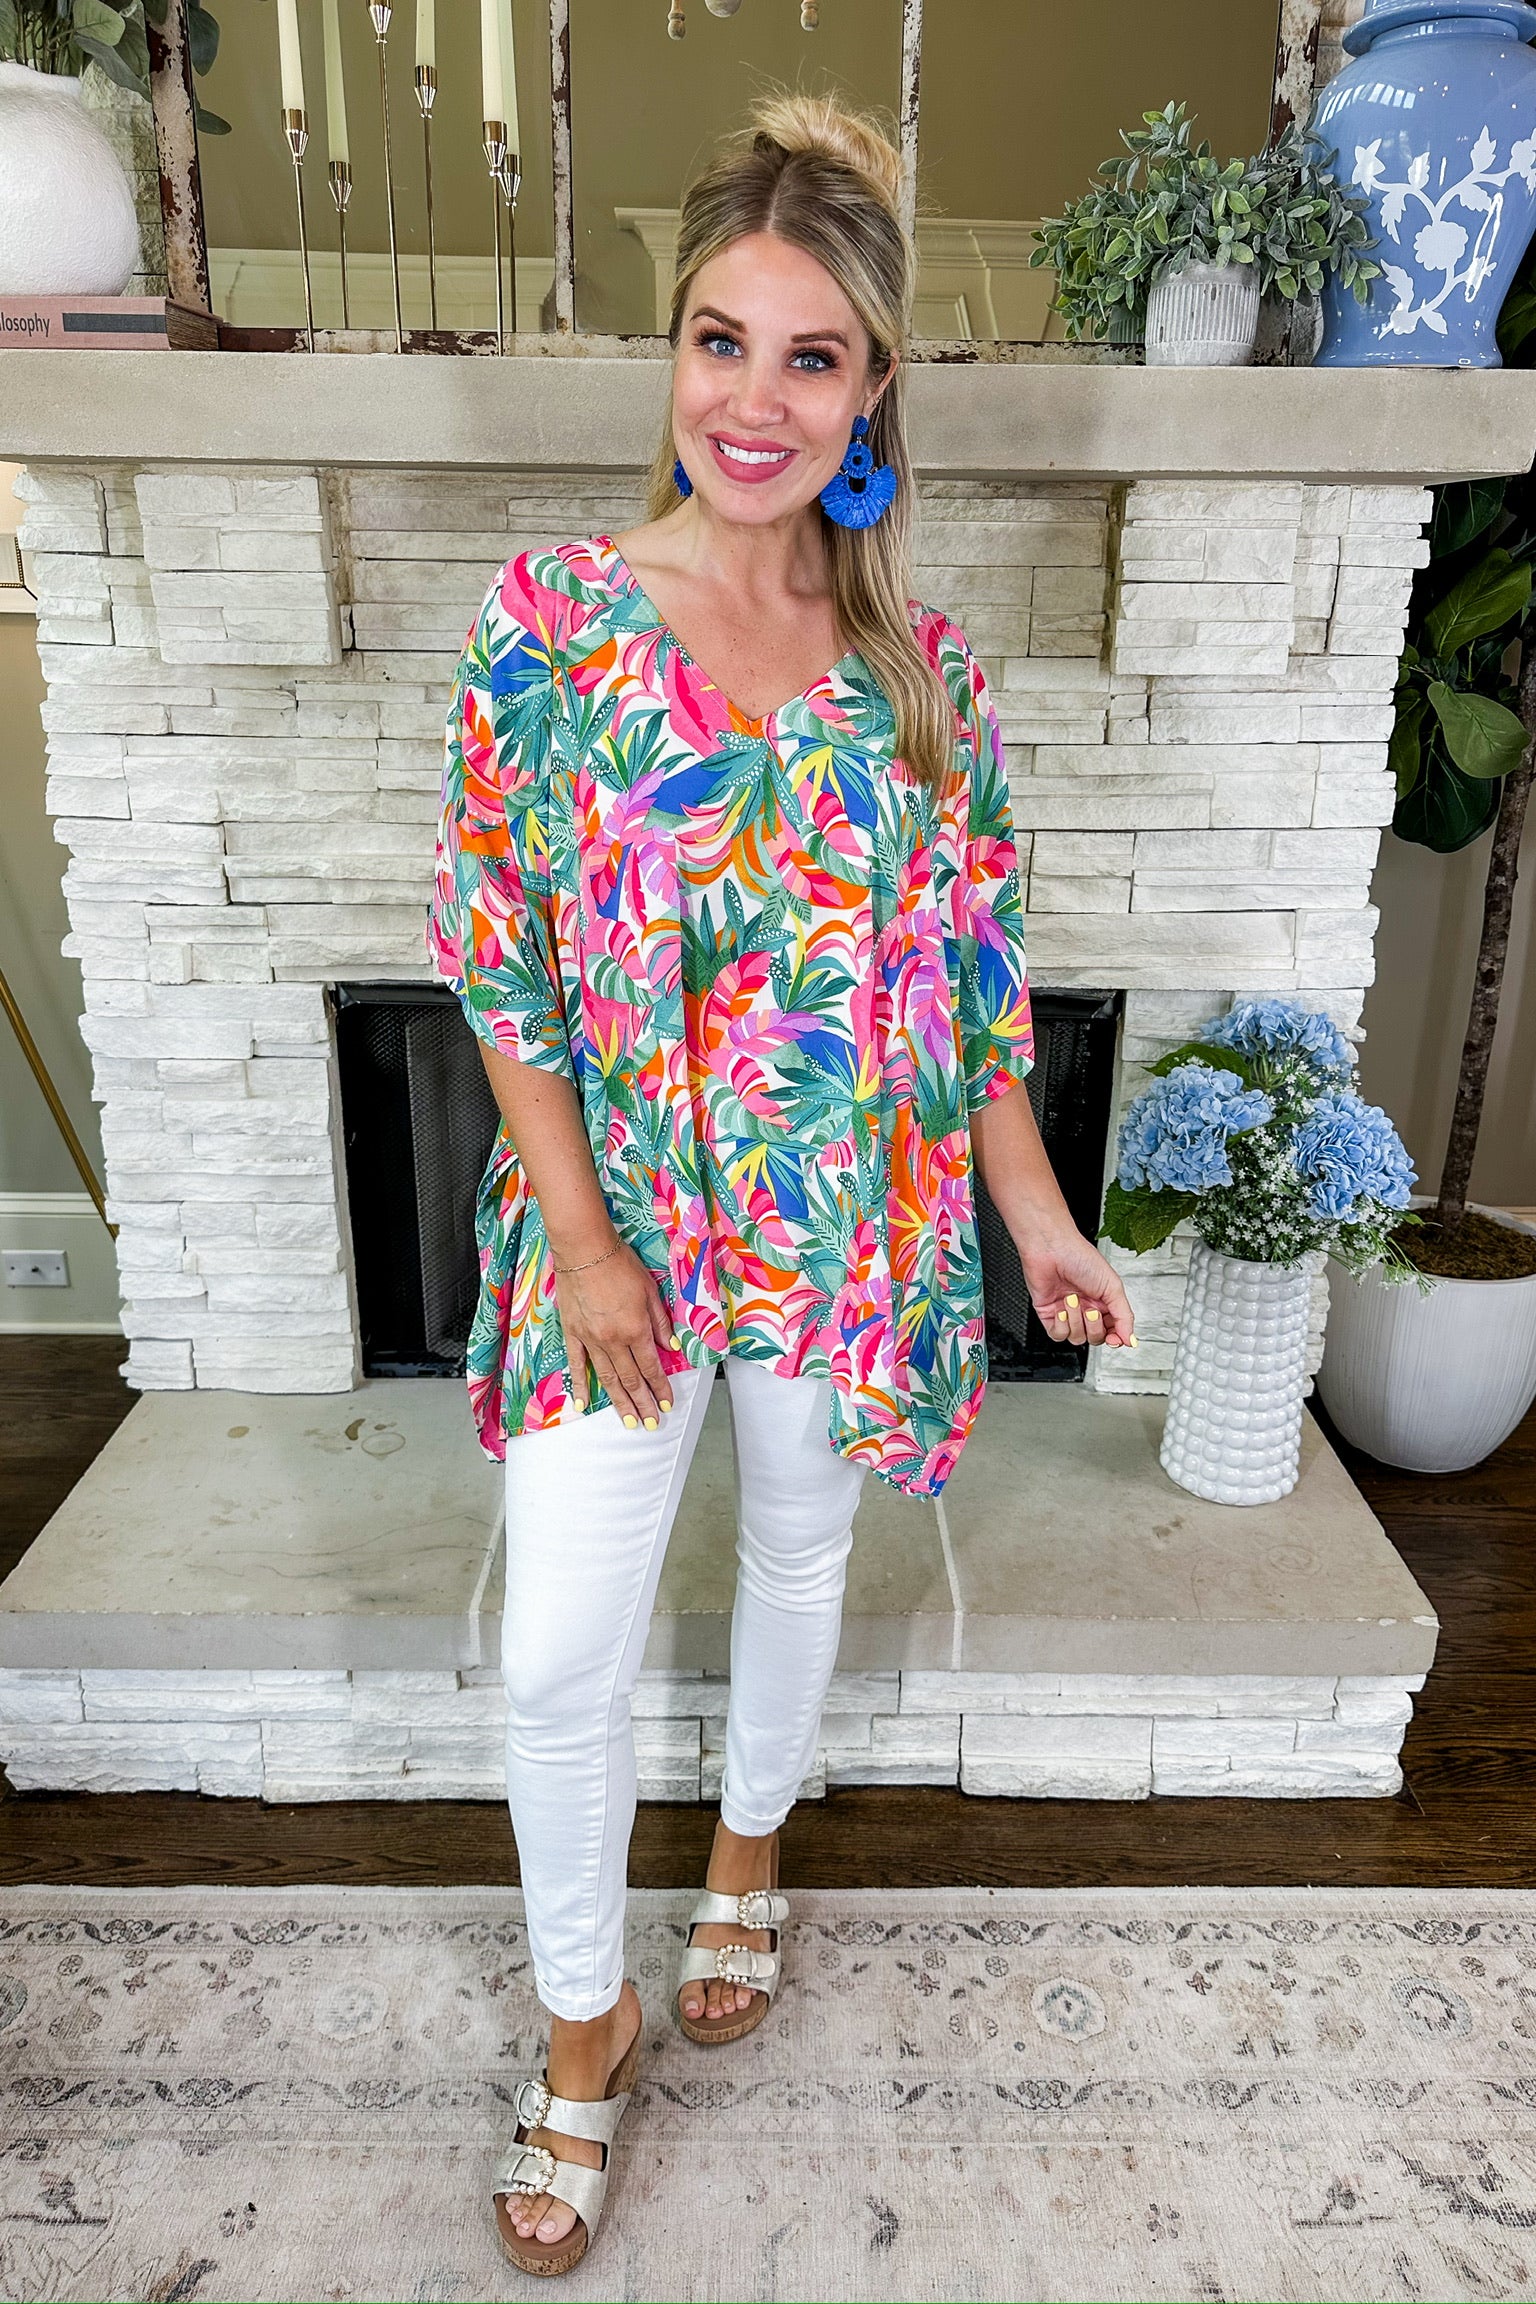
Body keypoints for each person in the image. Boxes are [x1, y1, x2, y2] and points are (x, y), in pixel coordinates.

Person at [426, 89, 1137, 2278]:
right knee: (561, 1654)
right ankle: (585, 2014)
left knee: (801, 1549)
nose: (755, 400)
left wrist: (1038, 1220)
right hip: (622, 1235)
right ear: (674, 353)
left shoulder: (923, 682)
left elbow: (969, 997)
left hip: (844, 1230)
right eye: (719, 341)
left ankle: (745, 1856)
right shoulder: (552, 628)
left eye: (810, 356)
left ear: (874, 386)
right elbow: (500, 968)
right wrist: (582, 1239)